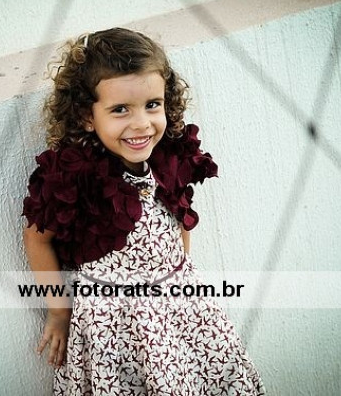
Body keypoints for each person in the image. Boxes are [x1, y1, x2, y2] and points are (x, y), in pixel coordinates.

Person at [23, 27, 266, 395]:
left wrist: (177, 275)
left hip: (183, 311)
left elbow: (180, 217)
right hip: (115, 325)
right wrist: (59, 311)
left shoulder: (168, 158)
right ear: (87, 115)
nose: (141, 123)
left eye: (152, 104)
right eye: (120, 109)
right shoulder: (74, 178)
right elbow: (37, 239)